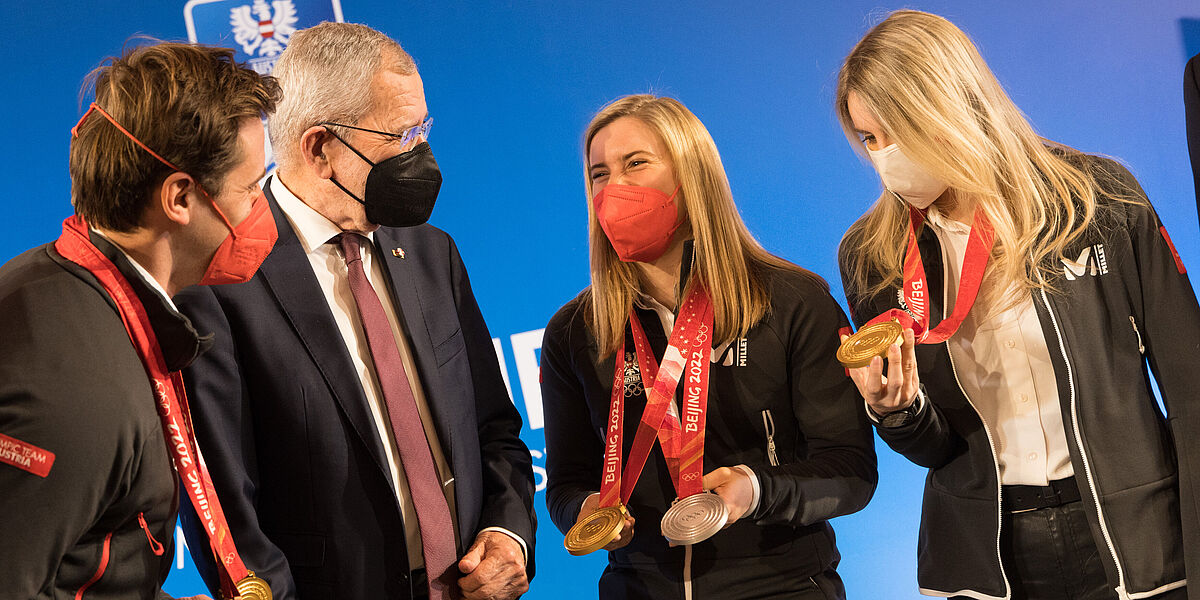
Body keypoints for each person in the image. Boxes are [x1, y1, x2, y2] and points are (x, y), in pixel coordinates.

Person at [836, 10, 1198, 600]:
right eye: (868, 139)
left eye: (895, 131)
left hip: (1136, 540)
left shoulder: (1097, 198)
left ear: (949, 105)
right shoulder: (872, 255)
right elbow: (936, 450)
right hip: (984, 560)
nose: (884, 157)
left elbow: (1191, 386)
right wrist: (896, 411)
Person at [174, 22, 536, 600]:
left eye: (423, 128)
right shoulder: (220, 281)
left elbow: (495, 429)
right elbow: (225, 509)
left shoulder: (431, 252)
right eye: (399, 135)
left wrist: (507, 533)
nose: (420, 152)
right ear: (320, 147)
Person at [541, 94, 877, 599]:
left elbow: (850, 471)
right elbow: (567, 480)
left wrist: (757, 490)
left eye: (636, 164)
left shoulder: (791, 301)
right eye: (599, 174)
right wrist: (587, 508)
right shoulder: (573, 331)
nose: (615, 188)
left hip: (780, 585)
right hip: (636, 588)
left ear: (690, 174)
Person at [0, 42, 279, 599]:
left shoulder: (61, 285)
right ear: (180, 198)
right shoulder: (75, 392)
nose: (260, 210)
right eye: (251, 188)